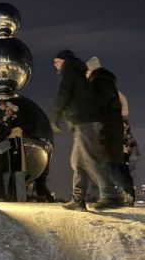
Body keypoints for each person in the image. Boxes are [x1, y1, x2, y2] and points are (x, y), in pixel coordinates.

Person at [51, 50, 120, 211]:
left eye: (56, 61)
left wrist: (56, 115)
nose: (55, 64)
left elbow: (64, 93)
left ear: (64, 60)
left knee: (90, 159)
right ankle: (78, 199)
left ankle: (109, 195)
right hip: (83, 121)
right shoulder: (77, 73)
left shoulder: (69, 71)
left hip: (85, 121)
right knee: (78, 162)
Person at [86, 56, 134, 205]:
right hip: (113, 126)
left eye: (87, 72)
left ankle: (118, 194)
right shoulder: (107, 81)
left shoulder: (100, 81)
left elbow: (101, 104)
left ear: (91, 69)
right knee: (114, 163)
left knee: (107, 163)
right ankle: (124, 193)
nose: (86, 75)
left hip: (107, 127)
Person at [1, 101, 27, 202]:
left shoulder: (15, 120)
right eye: (6, 110)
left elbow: (9, 130)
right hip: (7, 151)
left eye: (9, 110)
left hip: (15, 150)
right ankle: (5, 197)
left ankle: (21, 199)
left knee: (18, 174)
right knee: (6, 175)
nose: (7, 112)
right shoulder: (3, 121)